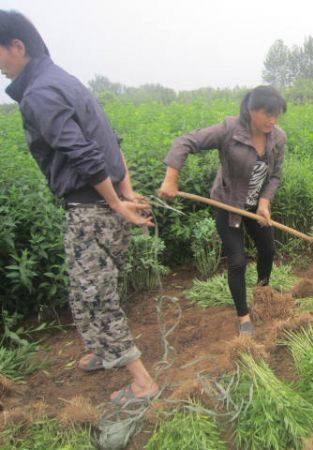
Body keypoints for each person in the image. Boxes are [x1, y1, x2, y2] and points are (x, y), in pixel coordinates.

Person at [0, 10, 158, 405]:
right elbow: (110, 140)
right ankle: (105, 353)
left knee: (94, 297)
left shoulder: (39, 93)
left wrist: (118, 204)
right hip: (104, 206)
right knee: (87, 288)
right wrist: (126, 192)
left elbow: (85, 154)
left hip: (91, 212)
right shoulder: (66, 81)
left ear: (17, 46)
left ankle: (142, 383)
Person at [159, 86, 287, 336]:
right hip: (228, 204)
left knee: (268, 250)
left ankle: (263, 294)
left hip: (255, 206)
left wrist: (264, 202)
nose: (273, 120)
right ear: (251, 110)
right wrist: (171, 179)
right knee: (238, 261)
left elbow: (275, 176)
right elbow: (185, 142)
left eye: (277, 115)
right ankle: (243, 316)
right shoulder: (229, 131)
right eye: (268, 114)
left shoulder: (278, 137)